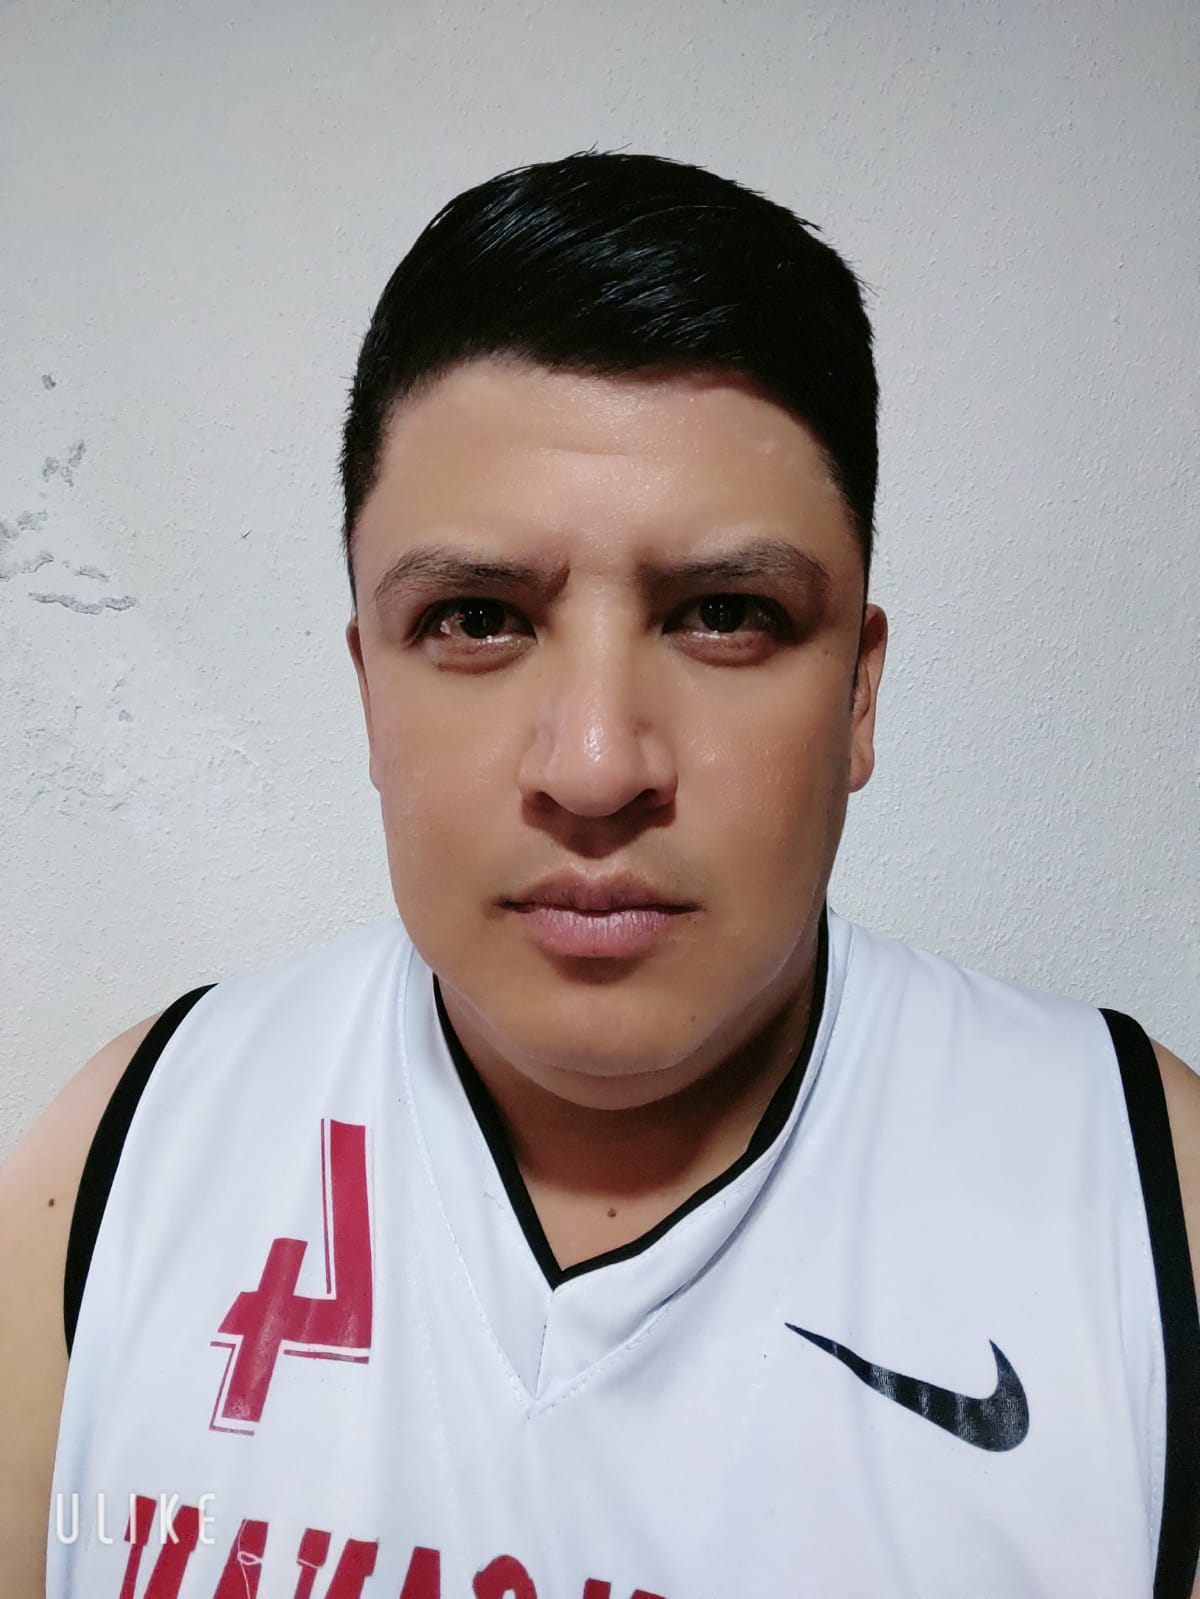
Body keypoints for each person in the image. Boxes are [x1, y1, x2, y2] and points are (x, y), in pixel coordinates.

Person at [1, 150, 1196, 1599]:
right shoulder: (125, 1151)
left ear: (861, 698)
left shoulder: (1151, 1206)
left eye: (726, 612)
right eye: (477, 618)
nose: (593, 764)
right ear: (368, 687)